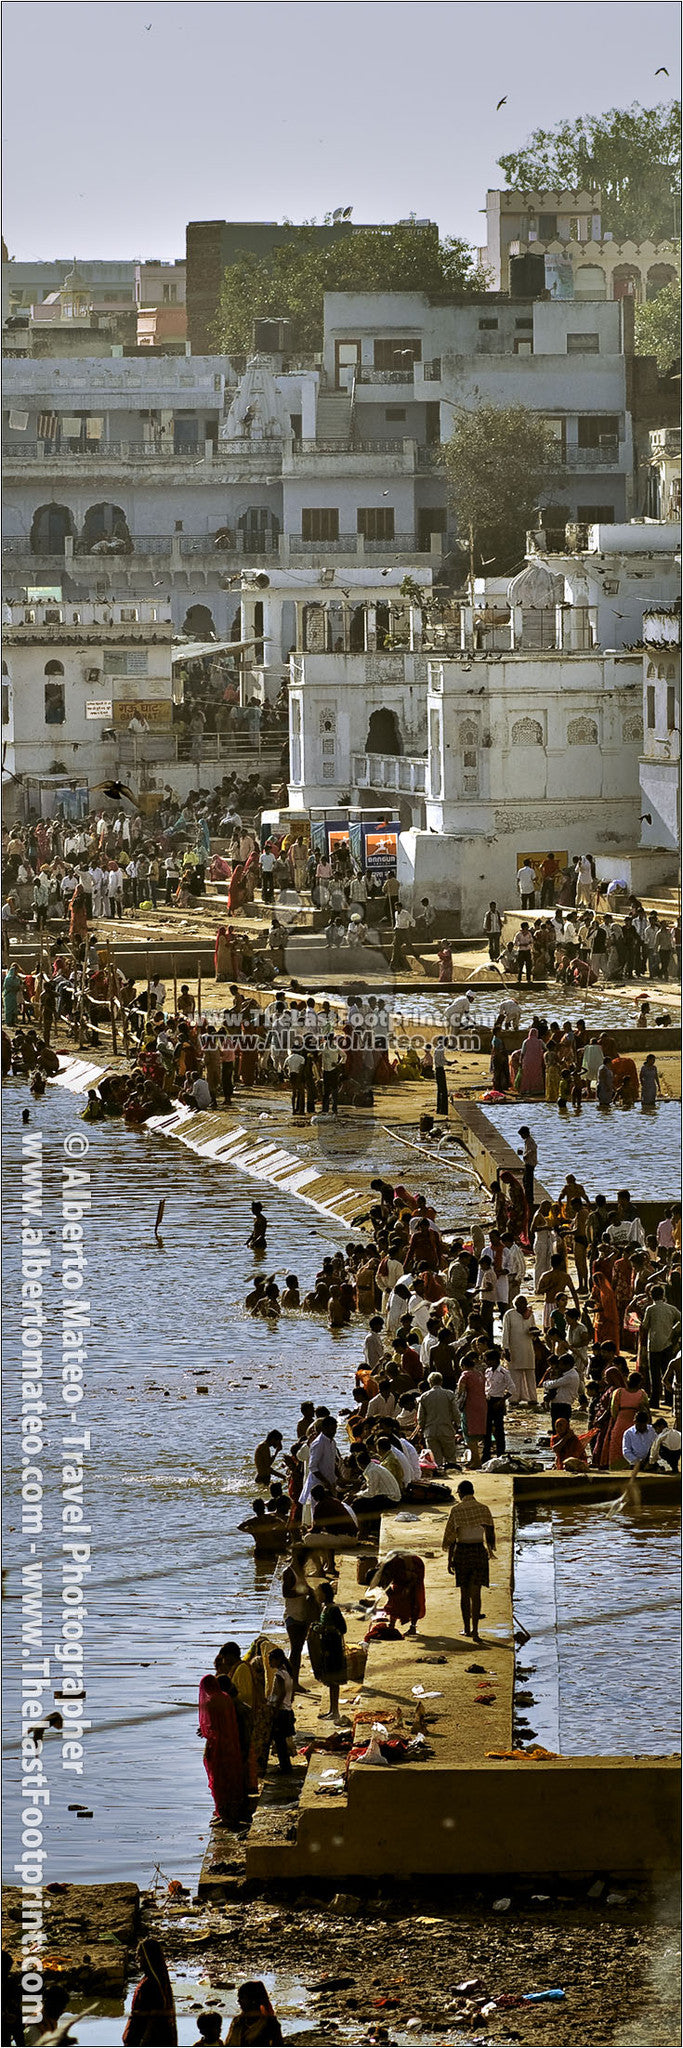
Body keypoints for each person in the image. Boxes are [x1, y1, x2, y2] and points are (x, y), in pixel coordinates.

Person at [442, 1479, 496, 1644]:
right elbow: (490, 1532)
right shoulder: (484, 1509)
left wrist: (449, 1560)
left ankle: (466, 1629)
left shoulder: (457, 1510)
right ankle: (476, 1631)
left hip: (463, 1552)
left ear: (460, 1493)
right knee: (476, 1593)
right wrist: (490, 1549)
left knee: (464, 1594)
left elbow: (451, 1538)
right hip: (479, 1551)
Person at [197, 1666, 249, 1826]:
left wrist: (204, 1732)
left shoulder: (212, 1702)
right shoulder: (226, 1698)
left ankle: (225, 1817)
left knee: (219, 1781)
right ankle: (231, 1814)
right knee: (231, 1779)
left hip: (218, 1747)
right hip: (231, 1744)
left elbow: (211, 1728)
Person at [123, 1938, 178, 2045]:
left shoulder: (149, 1984)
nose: (136, 1958)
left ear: (148, 1957)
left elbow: (147, 2020)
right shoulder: (160, 1980)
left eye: (139, 1955)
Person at [310, 1580, 347, 1721]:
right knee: (330, 1681)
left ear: (325, 1594)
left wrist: (325, 1629)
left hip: (333, 1648)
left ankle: (335, 1711)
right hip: (326, 1648)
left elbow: (342, 1629)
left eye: (319, 1593)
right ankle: (331, 1710)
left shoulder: (333, 1609)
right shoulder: (324, 1608)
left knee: (334, 1681)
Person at [417, 1371, 461, 1471]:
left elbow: (421, 1417)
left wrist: (422, 1428)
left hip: (430, 1431)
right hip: (446, 1429)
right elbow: (456, 1413)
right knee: (450, 1458)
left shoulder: (424, 1397)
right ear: (441, 1382)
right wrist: (458, 1426)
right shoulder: (449, 1394)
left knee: (436, 1460)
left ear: (430, 1383)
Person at [281, 1562, 316, 1687]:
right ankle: (292, 1682)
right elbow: (286, 1593)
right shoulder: (289, 1572)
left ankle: (294, 1681)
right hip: (292, 1617)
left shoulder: (301, 1572)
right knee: (295, 1651)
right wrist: (304, 1592)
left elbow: (307, 1589)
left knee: (298, 1649)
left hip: (302, 1616)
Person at [376, 1552, 426, 1636]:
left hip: (415, 1568)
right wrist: (391, 1596)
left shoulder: (397, 1569)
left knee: (415, 1599)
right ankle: (391, 1626)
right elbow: (390, 1594)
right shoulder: (381, 1571)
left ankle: (412, 1627)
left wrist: (407, 1588)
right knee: (395, 1599)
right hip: (402, 1573)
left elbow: (413, 1578)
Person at [501, 1295, 538, 1406]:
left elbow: (533, 1330)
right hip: (514, 1349)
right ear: (515, 1305)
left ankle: (532, 1398)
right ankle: (514, 1398)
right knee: (514, 1375)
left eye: (524, 1304)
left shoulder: (530, 1315)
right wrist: (506, 1349)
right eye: (520, 1304)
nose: (522, 1306)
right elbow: (505, 1332)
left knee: (530, 1374)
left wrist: (534, 1334)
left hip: (527, 1348)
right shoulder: (509, 1314)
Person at [266, 1647, 296, 1773]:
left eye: (271, 1660)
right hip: (287, 1709)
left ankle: (285, 1766)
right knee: (281, 1740)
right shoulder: (287, 1673)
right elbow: (291, 1693)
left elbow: (281, 1693)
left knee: (279, 1741)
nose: (269, 1663)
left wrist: (275, 1709)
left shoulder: (279, 1674)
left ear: (277, 1660)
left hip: (281, 1711)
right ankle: (285, 1765)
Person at [482, 1353, 516, 1458]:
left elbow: (512, 1388)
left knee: (498, 1428)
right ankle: (486, 1452)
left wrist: (502, 1401)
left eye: (488, 1360)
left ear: (494, 1360)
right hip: (488, 1400)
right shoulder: (487, 1371)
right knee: (486, 1428)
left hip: (498, 1400)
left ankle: (500, 1452)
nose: (486, 1362)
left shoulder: (503, 1372)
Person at [517, 1125, 537, 1213]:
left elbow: (533, 1149)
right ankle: (528, 1197)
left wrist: (525, 1155)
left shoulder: (530, 1141)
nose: (521, 1137)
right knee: (526, 1180)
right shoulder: (528, 1141)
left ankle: (529, 1198)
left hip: (530, 1164)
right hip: (529, 1163)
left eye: (522, 1135)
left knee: (528, 1181)